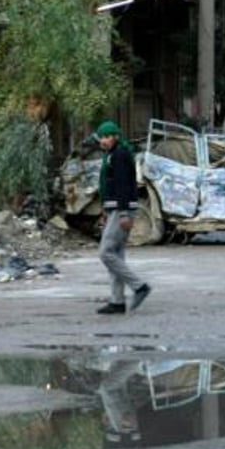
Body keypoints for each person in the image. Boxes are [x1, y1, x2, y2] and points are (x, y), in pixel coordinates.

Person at [94, 120, 151, 314]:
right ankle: (117, 302)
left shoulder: (120, 154)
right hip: (115, 210)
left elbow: (124, 185)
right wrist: (105, 211)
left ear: (116, 136)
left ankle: (139, 286)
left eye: (107, 136)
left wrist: (125, 213)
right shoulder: (111, 155)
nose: (104, 140)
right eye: (101, 137)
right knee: (116, 255)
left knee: (106, 253)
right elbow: (110, 186)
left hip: (122, 210)